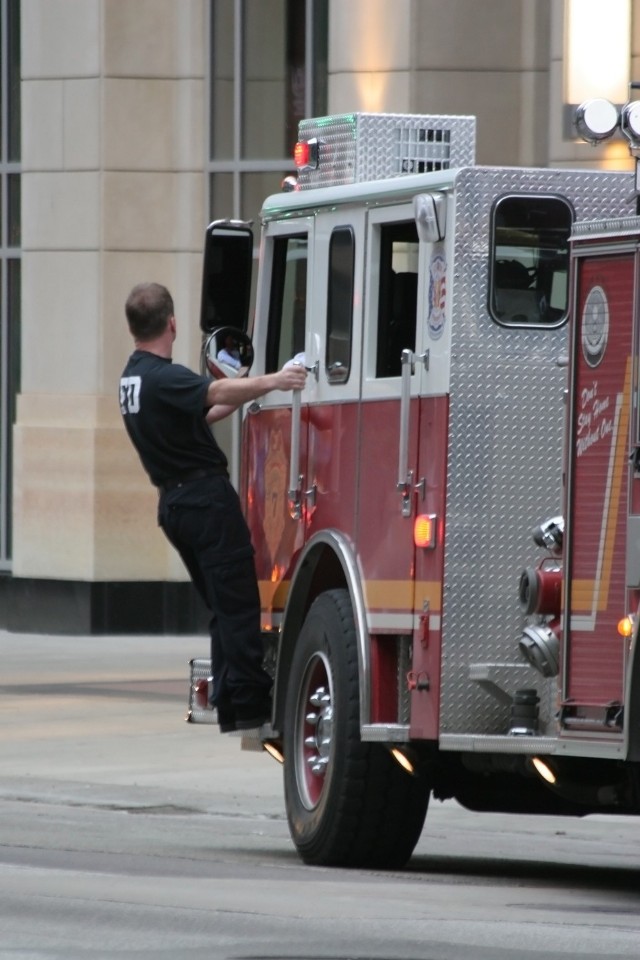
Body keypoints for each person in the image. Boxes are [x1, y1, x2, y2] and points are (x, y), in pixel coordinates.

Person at [119, 282, 307, 733]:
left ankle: (231, 700)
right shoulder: (166, 377)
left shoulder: (135, 376)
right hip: (204, 502)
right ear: (172, 323)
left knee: (223, 606)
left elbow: (205, 411)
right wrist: (281, 379)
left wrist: (243, 389)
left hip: (176, 503)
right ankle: (247, 703)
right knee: (239, 603)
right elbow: (214, 396)